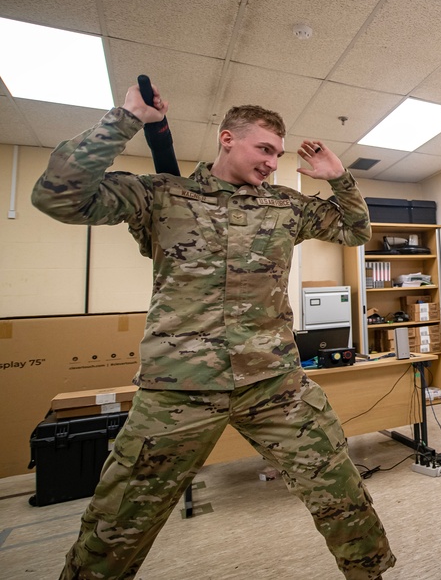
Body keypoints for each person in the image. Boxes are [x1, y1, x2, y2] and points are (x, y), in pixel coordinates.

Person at [32, 84, 395, 580]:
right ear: (227, 138)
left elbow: (356, 233)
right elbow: (60, 197)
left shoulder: (285, 206)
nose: (272, 162)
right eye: (263, 149)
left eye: (278, 154)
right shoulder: (162, 194)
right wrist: (126, 118)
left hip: (274, 385)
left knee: (342, 493)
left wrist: (340, 179)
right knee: (116, 525)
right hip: (177, 391)